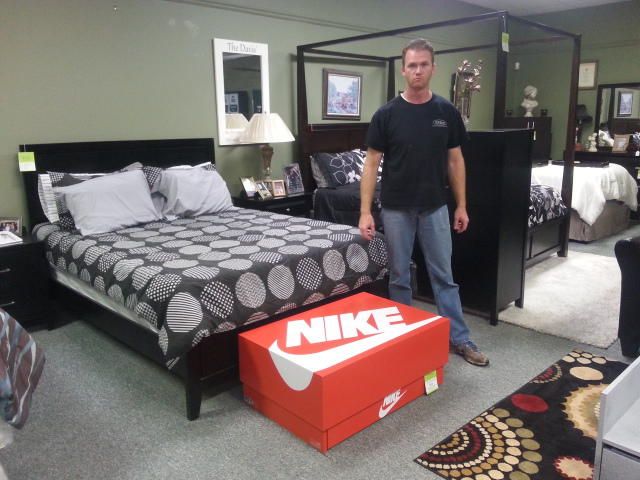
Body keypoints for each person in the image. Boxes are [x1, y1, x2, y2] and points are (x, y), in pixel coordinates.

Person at [358, 38, 489, 367]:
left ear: (433, 68)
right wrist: (364, 212)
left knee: (443, 276)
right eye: (412, 65)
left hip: (434, 207)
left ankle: (460, 339)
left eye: (424, 64)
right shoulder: (386, 114)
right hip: (396, 208)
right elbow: (371, 164)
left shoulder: (446, 112)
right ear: (404, 70)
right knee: (400, 276)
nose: (417, 70)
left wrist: (461, 205)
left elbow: (456, 161)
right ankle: (404, 337)